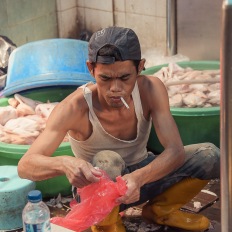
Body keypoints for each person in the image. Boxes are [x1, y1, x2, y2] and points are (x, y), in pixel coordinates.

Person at [18, 26, 220, 232]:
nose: (115, 88)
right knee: (107, 160)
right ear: (91, 69)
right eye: (105, 78)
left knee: (209, 155)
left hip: (140, 181)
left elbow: (175, 151)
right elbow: (25, 166)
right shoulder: (74, 107)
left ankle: (161, 210)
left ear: (140, 67)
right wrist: (64, 163)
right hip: (97, 193)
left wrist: (138, 178)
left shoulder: (151, 89)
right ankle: (107, 225)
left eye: (125, 78)